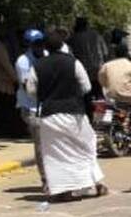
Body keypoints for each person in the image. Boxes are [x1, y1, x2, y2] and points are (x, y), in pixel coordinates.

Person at [26, 30, 108, 203]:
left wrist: (46, 95)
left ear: (45, 47)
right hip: (74, 113)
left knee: (55, 154)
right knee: (86, 146)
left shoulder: (38, 66)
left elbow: (31, 90)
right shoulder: (73, 62)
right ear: (63, 45)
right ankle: (97, 182)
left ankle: (64, 189)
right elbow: (86, 86)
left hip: (49, 116)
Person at [15, 29, 47, 187]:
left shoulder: (47, 55)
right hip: (31, 108)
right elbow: (27, 86)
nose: (40, 47)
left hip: (48, 106)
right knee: (41, 143)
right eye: (36, 44)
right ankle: (45, 179)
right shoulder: (23, 62)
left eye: (41, 43)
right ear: (29, 45)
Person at [68, 17, 107, 99]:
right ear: (87, 25)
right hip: (97, 69)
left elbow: (70, 55)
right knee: (98, 93)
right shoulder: (96, 35)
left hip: (83, 69)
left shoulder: (73, 38)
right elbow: (105, 52)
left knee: (85, 94)